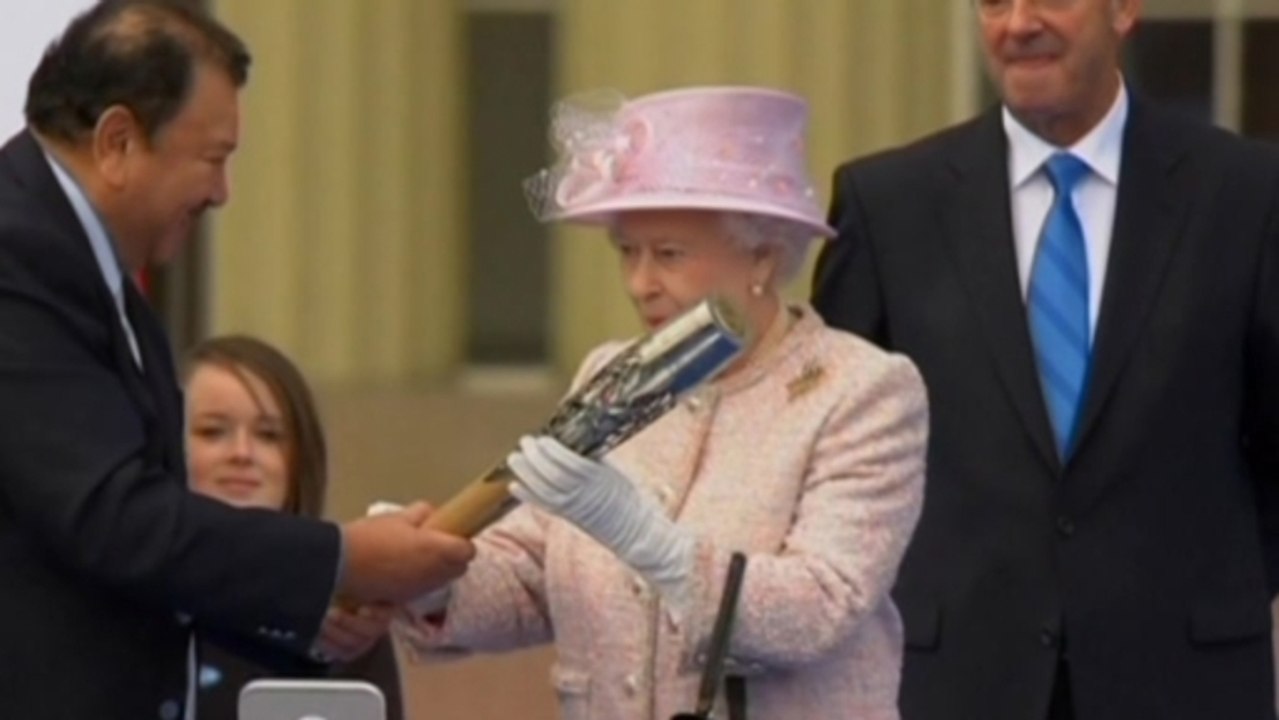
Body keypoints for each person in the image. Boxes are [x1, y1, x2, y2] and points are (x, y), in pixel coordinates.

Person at [0, 2, 474, 718]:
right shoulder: (18, 256)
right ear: (118, 141)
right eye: (213, 160)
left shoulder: (92, 274)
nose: (221, 194)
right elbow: (111, 519)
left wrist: (309, 600)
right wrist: (340, 558)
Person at [395, 86, 929, 720]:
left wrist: (654, 545)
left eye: (669, 254)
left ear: (763, 253)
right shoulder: (611, 372)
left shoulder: (860, 389)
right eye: (627, 252)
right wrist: (433, 576)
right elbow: (535, 574)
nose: (639, 283)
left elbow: (820, 606)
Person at [811, 1, 1279, 718]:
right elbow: (834, 458)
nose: (1017, 23)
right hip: (954, 681)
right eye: (994, 1)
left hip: (1183, 678)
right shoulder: (888, 206)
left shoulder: (1247, 195)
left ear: (1124, 9)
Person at [184, 335, 406, 720]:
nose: (241, 453)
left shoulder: (347, 615)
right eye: (212, 431)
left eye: (268, 435)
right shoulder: (128, 601)